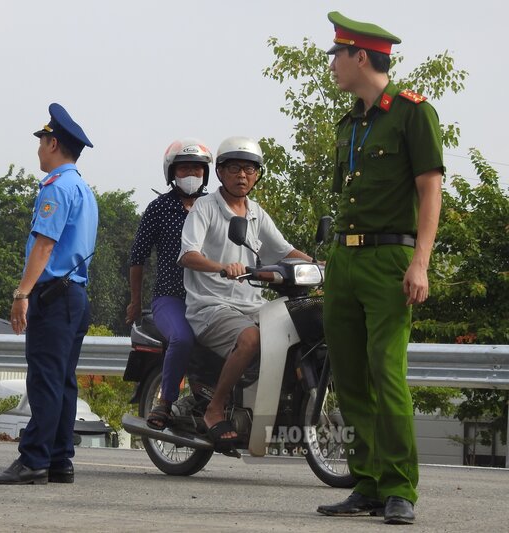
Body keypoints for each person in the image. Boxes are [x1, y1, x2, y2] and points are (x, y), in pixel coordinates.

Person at [316, 12, 443, 525]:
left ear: (360, 57)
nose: (332, 66)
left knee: (385, 371)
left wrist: (420, 262)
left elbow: (430, 189)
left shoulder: (413, 114)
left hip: (391, 259)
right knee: (347, 377)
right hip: (344, 259)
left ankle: (399, 487)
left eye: (336, 56)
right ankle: (365, 482)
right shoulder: (351, 121)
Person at [0, 103, 98, 485]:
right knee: (63, 380)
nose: (37, 149)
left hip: (53, 295)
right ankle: (59, 460)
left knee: (45, 379)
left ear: (52, 143)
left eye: (41, 141)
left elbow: (44, 246)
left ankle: (33, 460)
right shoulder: (83, 188)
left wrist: (22, 294)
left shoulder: (57, 188)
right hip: (76, 295)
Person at [178, 136, 311, 448]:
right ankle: (214, 408)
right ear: (221, 172)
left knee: (299, 328)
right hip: (210, 305)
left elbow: (285, 251)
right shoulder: (205, 209)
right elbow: (188, 255)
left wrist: (321, 265)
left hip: (250, 302)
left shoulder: (255, 212)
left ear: (257, 175)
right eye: (234, 168)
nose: (242, 176)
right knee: (251, 337)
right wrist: (222, 267)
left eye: (249, 170)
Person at [126, 138, 212, 430]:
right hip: (169, 298)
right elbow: (138, 258)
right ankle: (165, 402)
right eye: (185, 169)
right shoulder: (159, 208)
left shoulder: (215, 206)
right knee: (183, 338)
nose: (192, 175)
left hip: (209, 298)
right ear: (172, 173)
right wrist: (135, 301)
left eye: (198, 170)